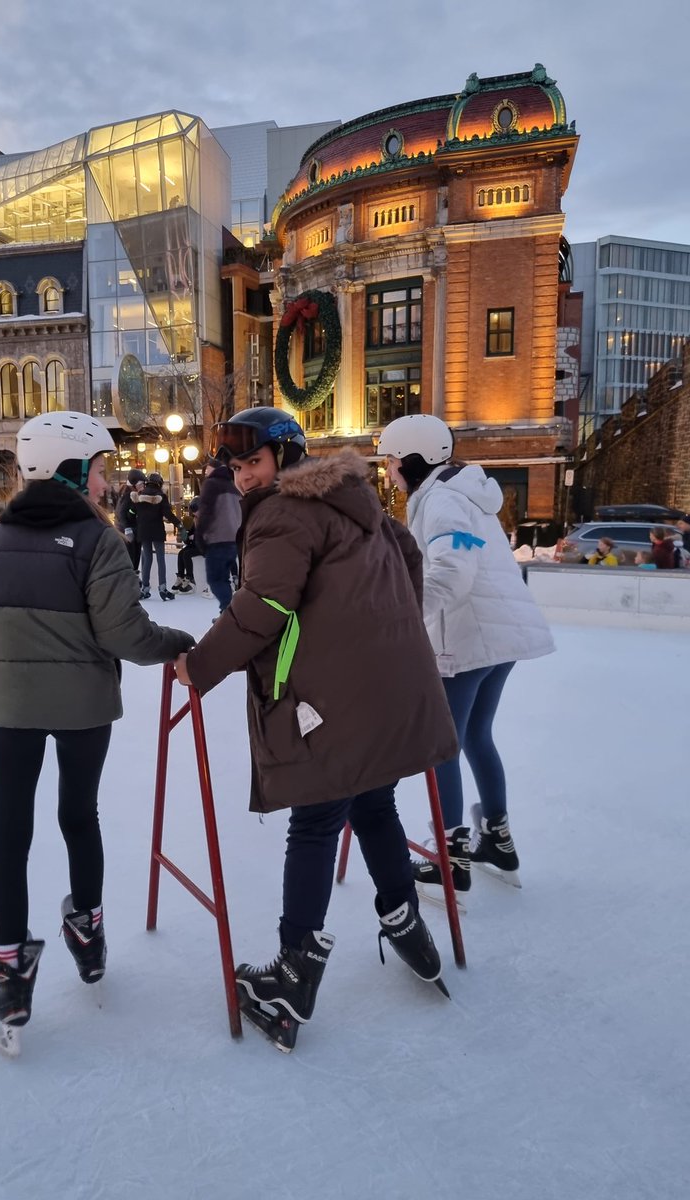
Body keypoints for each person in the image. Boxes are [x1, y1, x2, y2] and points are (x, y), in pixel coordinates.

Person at [174, 408, 458, 1052]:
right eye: (238, 467)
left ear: (287, 457)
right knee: (375, 803)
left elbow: (265, 605)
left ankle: (292, 971)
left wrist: (199, 666)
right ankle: (404, 919)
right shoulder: (366, 506)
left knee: (316, 820)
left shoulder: (283, 512)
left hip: (332, 702)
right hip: (388, 692)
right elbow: (409, 566)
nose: (244, 478)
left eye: (254, 463)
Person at [0, 411, 194, 1054]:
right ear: (70, 471)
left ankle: (10, 974)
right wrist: (177, 642)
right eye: (98, 470)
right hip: (85, 706)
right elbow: (125, 634)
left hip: (9, 707)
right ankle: (88, 932)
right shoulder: (101, 543)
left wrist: (14, 674)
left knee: (8, 833)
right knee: (78, 815)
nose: (105, 482)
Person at [378, 414, 555, 895]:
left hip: (470, 638)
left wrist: (400, 614)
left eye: (392, 462)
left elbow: (452, 577)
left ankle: (450, 857)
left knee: (442, 744)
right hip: (497, 638)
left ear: (414, 461)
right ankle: (496, 838)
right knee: (475, 734)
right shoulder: (460, 494)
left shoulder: (442, 502)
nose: (389, 473)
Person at [196, 456, 242, 614]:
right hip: (233, 540)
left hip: (217, 539)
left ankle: (228, 612)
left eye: (208, 468)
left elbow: (206, 512)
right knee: (224, 579)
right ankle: (227, 613)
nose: (206, 471)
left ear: (213, 469)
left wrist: (200, 535)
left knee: (215, 580)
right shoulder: (233, 485)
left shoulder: (211, 484)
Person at [135, 472, 181, 601]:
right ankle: (162, 587)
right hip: (156, 530)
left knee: (147, 558)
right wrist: (179, 524)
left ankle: (145, 587)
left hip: (143, 531)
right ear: (159, 483)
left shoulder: (140, 495)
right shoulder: (160, 496)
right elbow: (168, 514)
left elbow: (134, 512)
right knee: (161, 559)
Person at [115, 468, 146, 569]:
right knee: (132, 557)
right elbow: (121, 513)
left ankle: (135, 575)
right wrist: (127, 529)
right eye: (141, 483)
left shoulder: (134, 494)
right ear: (134, 483)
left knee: (136, 556)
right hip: (128, 532)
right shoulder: (128, 494)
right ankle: (132, 577)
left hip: (134, 531)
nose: (143, 486)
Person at [172, 496, 201, 593]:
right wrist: (186, 537)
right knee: (181, 553)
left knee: (187, 554)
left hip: (205, 547)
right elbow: (189, 537)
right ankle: (180, 577)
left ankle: (190, 579)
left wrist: (195, 537)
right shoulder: (193, 520)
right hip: (196, 545)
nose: (194, 513)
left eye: (195, 511)